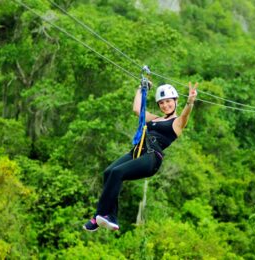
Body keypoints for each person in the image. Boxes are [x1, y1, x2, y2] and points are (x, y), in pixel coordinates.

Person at [83, 82, 198, 231]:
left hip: (151, 157)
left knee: (118, 173)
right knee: (109, 172)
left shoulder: (176, 123)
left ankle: (104, 216)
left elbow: (185, 115)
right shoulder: (155, 119)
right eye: (162, 103)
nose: (165, 105)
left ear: (175, 101)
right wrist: (141, 88)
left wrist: (190, 101)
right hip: (137, 152)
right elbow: (137, 109)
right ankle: (108, 215)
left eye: (168, 101)